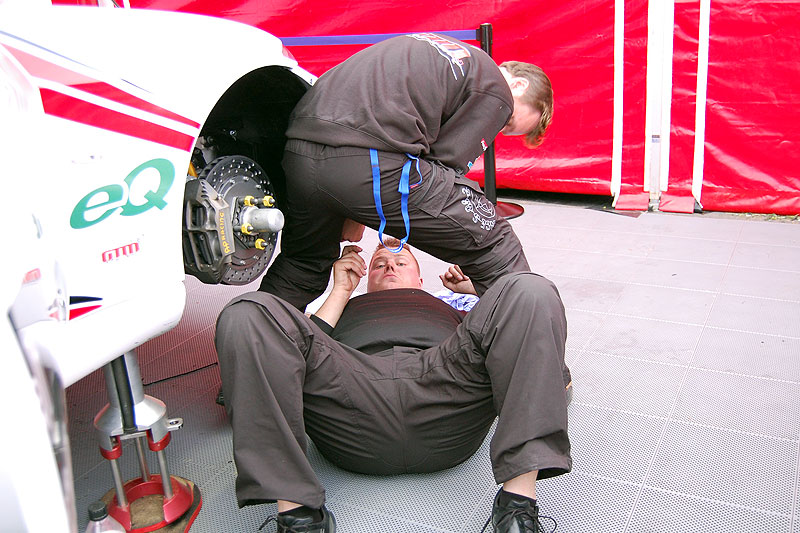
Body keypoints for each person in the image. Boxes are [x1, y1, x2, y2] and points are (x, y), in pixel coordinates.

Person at [216, 238, 572, 532]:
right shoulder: (343, 305)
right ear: (365, 277)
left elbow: (528, 350)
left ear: (420, 279)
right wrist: (341, 291)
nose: (389, 266)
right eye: (379, 263)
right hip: (351, 395)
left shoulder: (454, 305)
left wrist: (478, 290)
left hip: (446, 388)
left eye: (401, 262)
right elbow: (291, 353)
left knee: (529, 288)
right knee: (249, 310)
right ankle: (298, 516)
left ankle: (517, 508)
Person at [258, 32, 554, 311]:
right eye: (507, 121)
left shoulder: (447, 52)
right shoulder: (496, 89)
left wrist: (348, 210)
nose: (497, 126)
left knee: (302, 265)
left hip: (299, 150)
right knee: (496, 242)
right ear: (518, 86)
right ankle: (527, 343)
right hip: (366, 160)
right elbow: (442, 167)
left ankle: (255, 336)